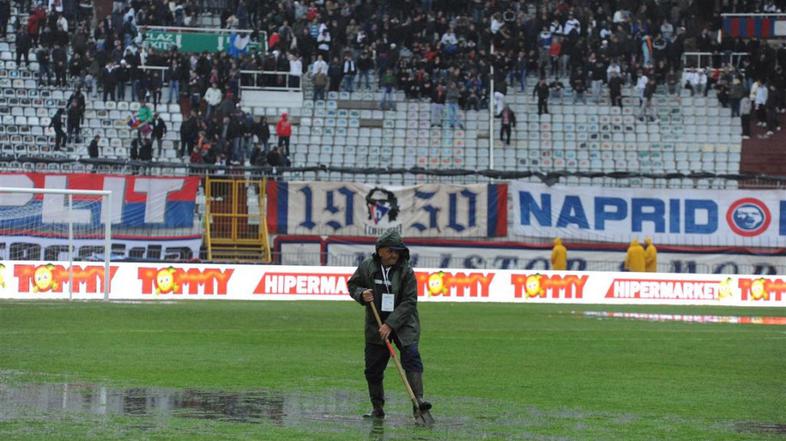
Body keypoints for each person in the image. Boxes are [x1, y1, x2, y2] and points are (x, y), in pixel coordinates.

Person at [347, 229, 431, 419]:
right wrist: (361, 294)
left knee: (411, 357)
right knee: (373, 369)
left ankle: (418, 400)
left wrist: (391, 324)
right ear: (380, 251)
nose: (394, 254)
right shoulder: (367, 266)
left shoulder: (407, 271)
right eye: (390, 250)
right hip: (376, 324)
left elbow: (409, 301)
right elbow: (352, 285)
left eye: (397, 250)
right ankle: (377, 408)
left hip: (404, 325)